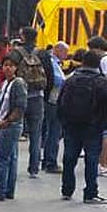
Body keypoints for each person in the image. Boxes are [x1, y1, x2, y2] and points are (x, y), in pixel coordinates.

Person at [57, 49, 107, 205]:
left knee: (69, 158)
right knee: (92, 159)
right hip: (93, 126)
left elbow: (60, 102)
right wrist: (105, 122)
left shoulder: (71, 79)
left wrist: (64, 121)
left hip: (72, 125)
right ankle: (90, 193)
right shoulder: (101, 81)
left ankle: (67, 190)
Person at [0, 54, 27, 202]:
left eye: (11, 65)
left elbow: (20, 106)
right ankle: (8, 190)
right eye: (5, 65)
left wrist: (8, 120)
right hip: (7, 123)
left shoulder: (18, 83)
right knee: (11, 158)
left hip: (11, 125)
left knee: (2, 158)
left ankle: (0, 190)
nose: (7, 68)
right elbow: (2, 102)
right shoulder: (6, 83)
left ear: (16, 67)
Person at [11, 28, 47, 179]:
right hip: (37, 97)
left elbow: (10, 72)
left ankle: (12, 164)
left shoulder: (16, 53)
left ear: (23, 37)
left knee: (14, 131)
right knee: (36, 133)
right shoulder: (42, 53)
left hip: (20, 95)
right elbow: (49, 75)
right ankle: (34, 168)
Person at [87, 36, 107, 177]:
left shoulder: (106, 60)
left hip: (105, 100)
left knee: (105, 133)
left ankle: (103, 165)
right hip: (106, 98)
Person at [42, 42, 69, 174]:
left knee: (50, 131)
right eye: (65, 52)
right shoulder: (53, 62)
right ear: (57, 50)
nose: (66, 55)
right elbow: (58, 80)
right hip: (53, 100)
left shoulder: (54, 62)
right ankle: (50, 161)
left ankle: (46, 159)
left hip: (51, 99)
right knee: (54, 131)